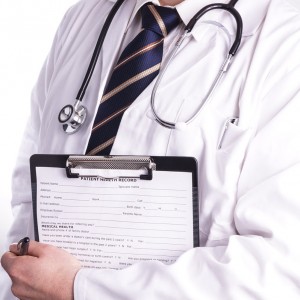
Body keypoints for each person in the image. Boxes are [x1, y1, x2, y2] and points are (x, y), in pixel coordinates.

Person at [2, 0, 300, 299]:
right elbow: (29, 198)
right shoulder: (85, 17)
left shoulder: (287, 43)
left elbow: (275, 270)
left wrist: (79, 288)